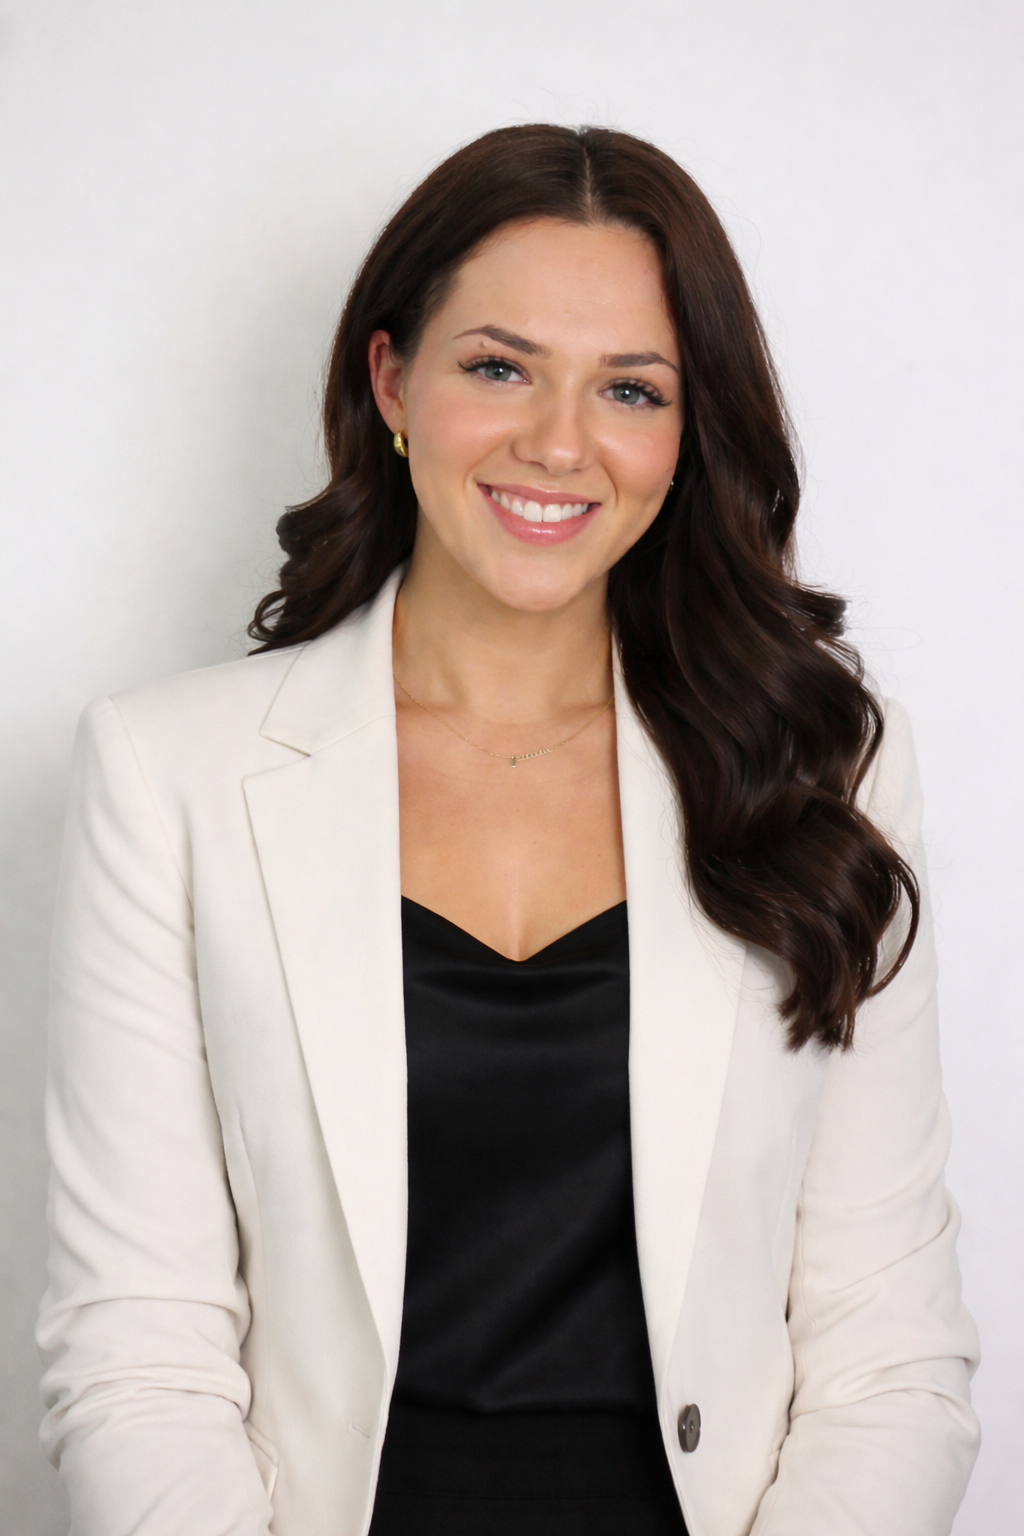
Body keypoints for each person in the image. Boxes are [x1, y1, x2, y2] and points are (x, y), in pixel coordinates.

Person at [37, 124, 979, 1536]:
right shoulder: (166, 773)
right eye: (499, 366)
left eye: (631, 389)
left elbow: (888, 1349)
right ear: (391, 379)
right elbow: (136, 1353)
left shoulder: (819, 770)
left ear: (687, 428)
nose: (558, 442)